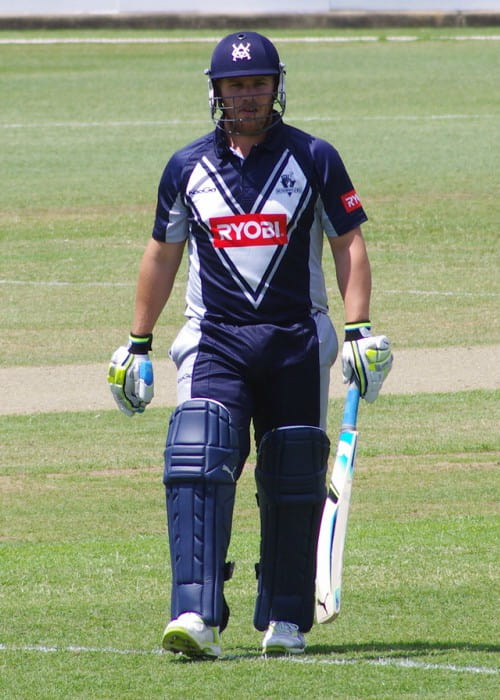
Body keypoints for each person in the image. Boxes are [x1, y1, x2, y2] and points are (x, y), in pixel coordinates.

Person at [107, 31, 392, 659]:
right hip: (215, 341)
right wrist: (136, 342)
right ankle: (194, 614)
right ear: (216, 92)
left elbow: (349, 243)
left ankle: (285, 619)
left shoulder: (315, 157)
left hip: (296, 340)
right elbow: (162, 252)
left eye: (258, 83)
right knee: (196, 459)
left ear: (276, 87)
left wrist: (359, 329)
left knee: (293, 473)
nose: (248, 96)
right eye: (235, 86)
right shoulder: (186, 167)